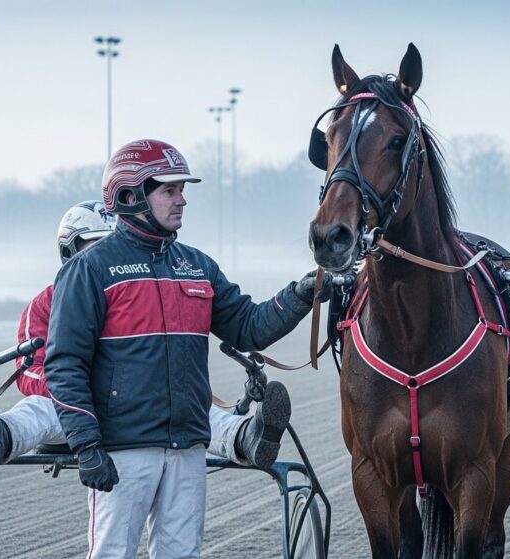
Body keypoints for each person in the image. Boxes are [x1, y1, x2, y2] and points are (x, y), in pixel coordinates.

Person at [44, 139, 329, 558]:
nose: (182, 200)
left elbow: (249, 328)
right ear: (128, 196)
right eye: (170, 190)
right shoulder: (90, 269)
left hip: (187, 450)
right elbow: (65, 364)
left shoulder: (198, 265)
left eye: (183, 189)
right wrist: (86, 445)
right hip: (123, 452)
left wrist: (301, 294)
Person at [0, 200, 295, 472]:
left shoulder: (143, 292)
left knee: (188, 406)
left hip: (142, 408)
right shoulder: (45, 305)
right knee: (38, 409)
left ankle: (246, 437)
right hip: (76, 412)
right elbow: (32, 372)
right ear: (69, 252)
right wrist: (89, 396)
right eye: (96, 247)